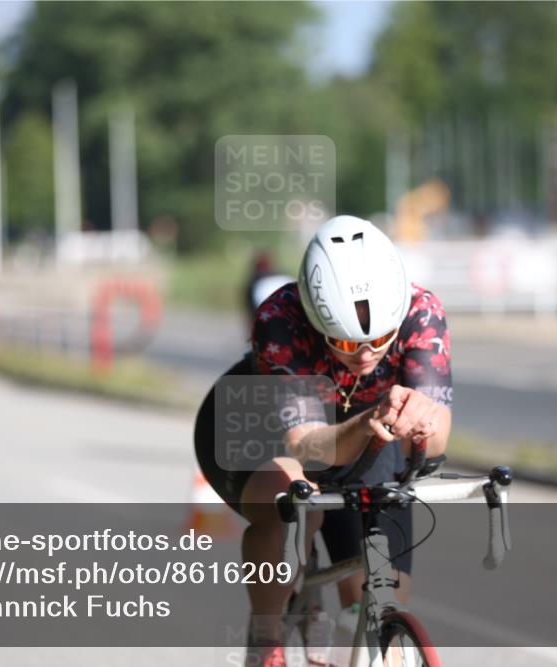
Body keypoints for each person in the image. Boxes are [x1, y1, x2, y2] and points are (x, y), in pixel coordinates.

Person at [194, 215, 453, 666]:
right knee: (296, 509)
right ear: (316, 320)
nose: (368, 355)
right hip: (258, 426)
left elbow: (433, 444)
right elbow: (308, 445)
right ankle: (266, 638)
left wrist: (425, 424)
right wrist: (376, 416)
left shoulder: (422, 313)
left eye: (380, 339)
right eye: (348, 345)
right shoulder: (280, 318)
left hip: (364, 427)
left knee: (374, 600)